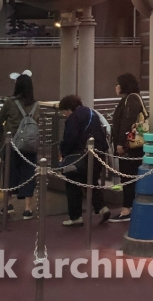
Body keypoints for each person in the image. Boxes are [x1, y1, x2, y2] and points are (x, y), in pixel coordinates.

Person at [58, 94, 110, 227]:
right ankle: (102, 208)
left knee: (72, 182)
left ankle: (75, 217)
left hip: (81, 156)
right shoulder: (92, 113)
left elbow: (70, 139)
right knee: (91, 181)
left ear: (69, 108)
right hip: (99, 153)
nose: (64, 115)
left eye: (64, 111)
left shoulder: (73, 118)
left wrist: (63, 152)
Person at [0, 72, 40, 219]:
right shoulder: (36, 104)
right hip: (30, 145)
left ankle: (7, 205)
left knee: (10, 174)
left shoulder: (10, 102)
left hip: (12, 143)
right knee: (28, 174)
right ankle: (28, 209)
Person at [109, 73, 146, 222]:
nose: (116, 86)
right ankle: (130, 206)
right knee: (129, 176)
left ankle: (127, 209)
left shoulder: (131, 99)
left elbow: (127, 122)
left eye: (118, 83)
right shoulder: (130, 99)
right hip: (132, 146)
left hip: (131, 147)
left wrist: (121, 143)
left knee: (128, 176)